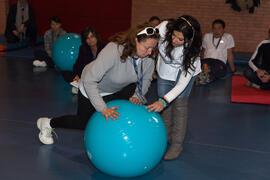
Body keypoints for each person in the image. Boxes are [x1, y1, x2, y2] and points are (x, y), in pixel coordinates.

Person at [36, 23, 160, 145]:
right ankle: (47, 123)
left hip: (115, 88)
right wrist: (103, 108)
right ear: (135, 41)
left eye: (153, 48)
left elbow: (145, 80)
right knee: (82, 123)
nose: (150, 52)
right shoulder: (113, 51)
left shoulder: (148, 58)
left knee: (121, 113)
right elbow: (90, 81)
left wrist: (138, 96)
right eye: (147, 47)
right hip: (90, 85)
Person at [146, 15, 202, 160]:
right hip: (165, 68)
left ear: (188, 39)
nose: (174, 40)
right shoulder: (164, 28)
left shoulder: (192, 52)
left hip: (184, 74)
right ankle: (166, 136)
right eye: (174, 35)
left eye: (180, 39)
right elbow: (146, 37)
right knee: (165, 106)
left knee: (179, 106)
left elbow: (182, 84)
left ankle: (177, 145)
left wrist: (164, 100)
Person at [197, 19, 237, 85]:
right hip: (207, 61)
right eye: (214, 28)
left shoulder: (228, 37)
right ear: (212, 29)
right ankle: (204, 76)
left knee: (216, 69)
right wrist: (200, 64)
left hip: (219, 63)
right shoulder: (207, 36)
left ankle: (205, 77)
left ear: (223, 29)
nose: (216, 31)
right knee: (205, 66)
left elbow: (230, 55)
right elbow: (202, 52)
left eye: (219, 28)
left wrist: (233, 70)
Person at [71, 27, 106, 94]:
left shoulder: (104, 47)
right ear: (85, 40)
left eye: (92, 36)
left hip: (102, 76)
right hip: (88, 76)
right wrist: (76, 75)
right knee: (66, 73)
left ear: (96, 37)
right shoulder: (83, 48)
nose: (90, 40)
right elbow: (78, 64)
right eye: (87, 38)